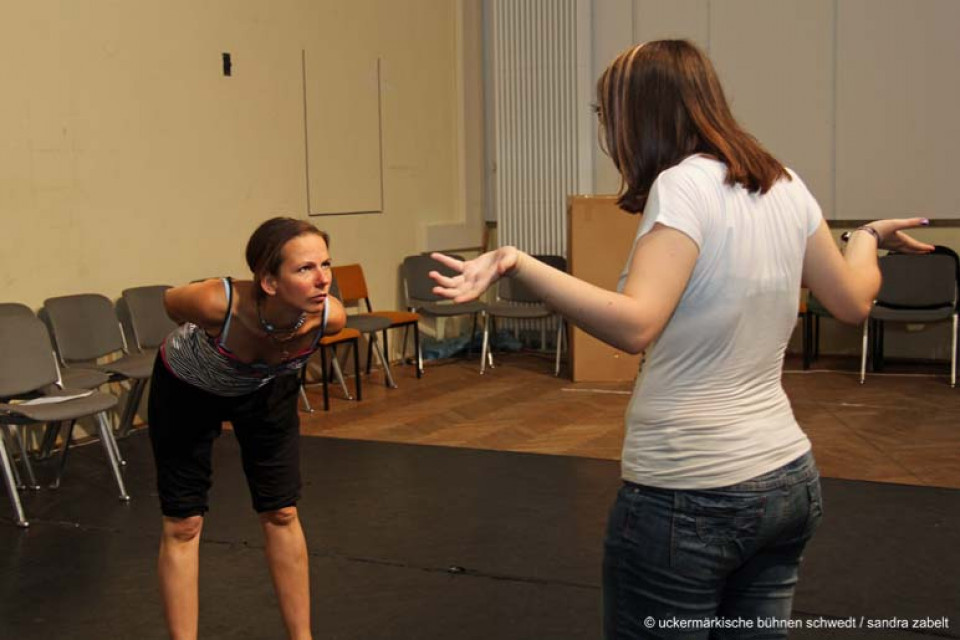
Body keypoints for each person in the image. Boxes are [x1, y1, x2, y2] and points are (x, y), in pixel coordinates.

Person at [429, 40, 934, 639]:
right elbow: (854, 300)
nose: (604, 128)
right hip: (786, 480)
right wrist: (869, 234)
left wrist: (519, 263)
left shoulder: (683, 186)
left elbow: (636, 324)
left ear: (637, 113)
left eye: (604, 112)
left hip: (692, 494)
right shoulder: (785, 184)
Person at [148, 217, 345, 640]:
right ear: (269, 282)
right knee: (183, 523)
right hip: (187, 389)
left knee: (282, 511)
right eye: (305, 268)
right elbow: (169, 301)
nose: (322, 279)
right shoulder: (216, 303)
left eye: (326, 265)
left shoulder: (329, 318)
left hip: (265, 387)